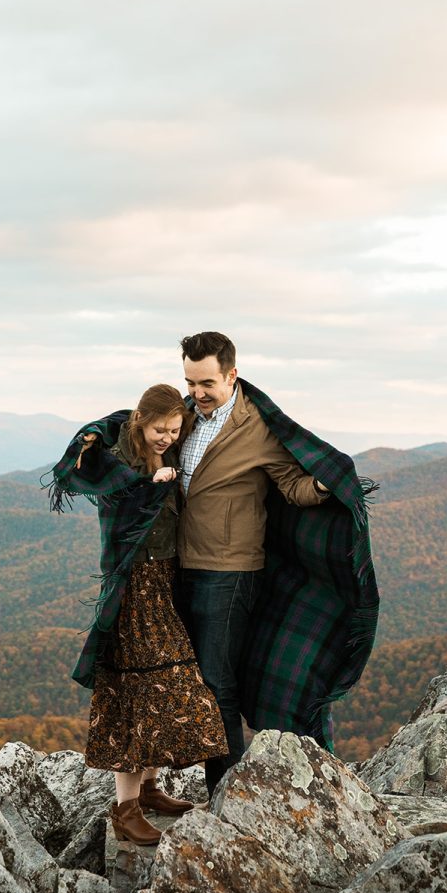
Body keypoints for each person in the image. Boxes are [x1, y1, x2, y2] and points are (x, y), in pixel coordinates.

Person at [177, 331, 379, 796]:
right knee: (179, 675)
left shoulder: (256, 426)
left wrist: (330, 484)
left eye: (206, 383)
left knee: (216, 682)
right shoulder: (183, 417)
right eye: (190, 382)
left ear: (232, 375)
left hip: (230, 570)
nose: (197, 393)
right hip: (177, 564)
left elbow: (292, 486)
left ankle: (225, 792)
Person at [50, 383, 228, 845]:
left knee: (165, 686)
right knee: (135, 691)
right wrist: (150, 484)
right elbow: (117, 490)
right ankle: (124, 808)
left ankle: (148, 789)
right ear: (140, 422)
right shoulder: (119, 463)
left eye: (174, 430)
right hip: (132, 586)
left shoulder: (167, 447)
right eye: (158, 429)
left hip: (166, 579)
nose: (167, 437)